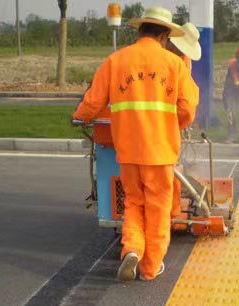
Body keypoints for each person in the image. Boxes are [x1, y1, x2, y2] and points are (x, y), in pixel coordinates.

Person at [73, 7, 199, 282]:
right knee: (158, 207)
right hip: (160, 150)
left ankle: (132, 248)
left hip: (128, 150)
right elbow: (187, 109)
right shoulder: (175, 64)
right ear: (164, 35)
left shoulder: (116, 60)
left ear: (141, 31)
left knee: (133, 201)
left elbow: (93, 102)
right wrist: (172, 124)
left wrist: (78, 116)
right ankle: (150, 266)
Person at [165, 22, 202, 219]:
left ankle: (171, 210)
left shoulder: (183, 60)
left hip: (167, 123)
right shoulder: (164, 58)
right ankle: (170, 213)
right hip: (164, 125)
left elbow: (186, 99)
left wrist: (182, 122)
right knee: (167, 170)